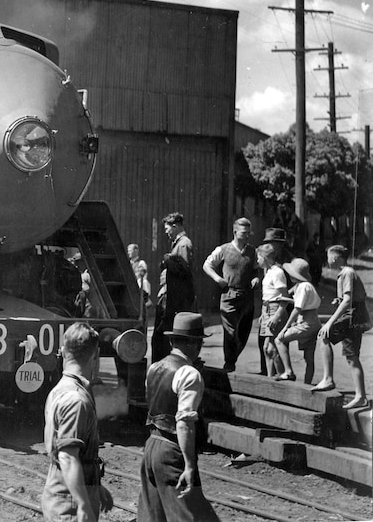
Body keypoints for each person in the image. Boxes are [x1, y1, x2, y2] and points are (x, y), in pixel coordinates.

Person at [138, 312, 219, 522]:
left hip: (151, 446)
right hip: (172, 452)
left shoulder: (154, 368)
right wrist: (190, 466)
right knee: (193, 516)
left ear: (172, 340)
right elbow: (184, 424)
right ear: (195, 344)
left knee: (152, 517)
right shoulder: (189, 374)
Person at [42, 322, 113, 522]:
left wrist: (95, 486)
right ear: (96, 354)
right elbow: (68, 457)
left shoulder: (60, 389)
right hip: (70, 503)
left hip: (63, 492)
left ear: (64, 352)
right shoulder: (76, 400)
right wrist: (82, 505)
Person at [312, 245, 370, 409]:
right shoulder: (345, 273)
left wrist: (329, 322)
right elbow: (349, 297)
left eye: (329, 257)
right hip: (355, 313)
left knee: (325, 335)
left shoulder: (346, 273)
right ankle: (360, 396)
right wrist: (339, 301)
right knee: (352, 356)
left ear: (336, 258)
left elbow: (348, 300)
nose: (327, 260)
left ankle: (330, 380)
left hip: (353, 315)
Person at [203, 217, 259, 372]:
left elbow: (255, 269)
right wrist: (217, 278)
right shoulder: (224, 249)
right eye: (244, 232)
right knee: (230, 331)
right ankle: (229, 363)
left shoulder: (252, 251)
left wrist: (255, 279)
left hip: (247, 296)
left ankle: (232, 359)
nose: (247, 235)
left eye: (249, 233)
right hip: (229, 296)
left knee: (244, 332)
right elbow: (207, 265)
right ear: (235, 232)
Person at [153, 212, 195, 364]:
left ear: (175, 226)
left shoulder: (183, 244)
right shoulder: (179, 243)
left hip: (177, 300)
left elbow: (184, 271)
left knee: (162, 335)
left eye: (167, 228)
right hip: (173, 298)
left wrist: (167, 260)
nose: (166, 232)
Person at [274, 258, 320, 384]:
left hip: (306, 323)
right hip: (315, 322)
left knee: (279, 339)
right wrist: (287, 299)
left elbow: (297, 309)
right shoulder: (307, 286)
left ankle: (288, 371)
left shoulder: (302, 287)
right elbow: (304, 303)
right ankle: (307, 383)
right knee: (309, 357)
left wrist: (285, 327)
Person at [256, 244, 288, 378]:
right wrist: (263, 314)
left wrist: (276, 316)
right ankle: (270, 378)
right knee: (266, 348)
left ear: (265, 257)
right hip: (267, 309)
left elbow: (284, 298)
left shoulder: (277, 273)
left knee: (273, 348)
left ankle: (281, 376)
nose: (257, 261)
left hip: (275, 309)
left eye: (258, 258)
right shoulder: (268, 271)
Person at [128, 243, 151, 307]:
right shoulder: (128, 263)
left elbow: (140, 276)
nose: (128, 252)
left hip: (139, 287)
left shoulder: (141, 263)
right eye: (128, 251)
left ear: (136, 251)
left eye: (130, 250)